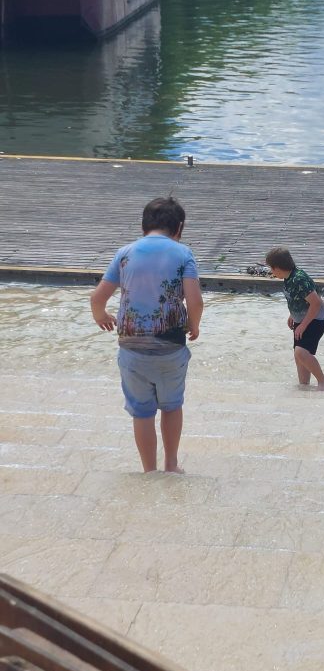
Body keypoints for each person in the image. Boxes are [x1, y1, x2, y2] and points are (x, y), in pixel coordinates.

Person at [90, 196, 203, 474]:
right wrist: (194, 324)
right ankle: (171, 464)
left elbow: (97, 298)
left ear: (144, 226)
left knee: (141, 412)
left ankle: (148, 470)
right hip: (170, 347)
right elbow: (195, 301)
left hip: (131, 349)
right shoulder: (183, 253)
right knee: (172, 406)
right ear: (179, 227)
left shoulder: (125, 253)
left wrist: (100, 316)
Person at [265, 246, 324, 391]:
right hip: (301, 320)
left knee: (301, 352)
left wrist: (303, 325)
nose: (271, 272)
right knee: (299, 356)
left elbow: (315, 302)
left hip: (316, 319)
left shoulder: (298, 279)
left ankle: (323, 382)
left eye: (271, 268)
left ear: (278, 268)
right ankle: (304, 386)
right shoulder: (289, 278)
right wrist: (292, 315)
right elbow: (298, 299)